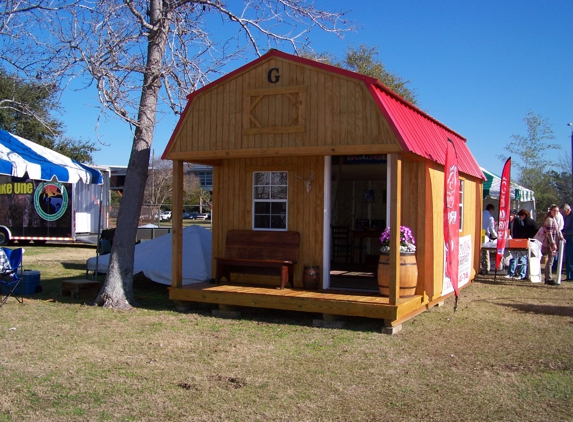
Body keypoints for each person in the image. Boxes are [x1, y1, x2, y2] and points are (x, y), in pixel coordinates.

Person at [506, 209, 538, 279]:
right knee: (516, 257)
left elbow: (524, 232)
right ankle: (514, 273)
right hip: (522, 240)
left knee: (522, 258)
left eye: (521, 216)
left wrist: (520, 240)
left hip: (527, 241)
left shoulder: (524, 221)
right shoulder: (525, 221)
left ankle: (521, 274)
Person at [542, 204, 565, 285]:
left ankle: (548, 278)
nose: (556, 212)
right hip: (550, 243)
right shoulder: (549, 220)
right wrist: (552, 243)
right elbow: (549, 233)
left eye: (557, 211)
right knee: (550, 261)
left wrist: (561, 237)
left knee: (551, 260)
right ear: (551, 211)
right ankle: (549, 278)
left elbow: (558, 230)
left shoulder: (554, 219)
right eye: (554, 211)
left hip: (554, 241)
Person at [481, 204, 497, 274]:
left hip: (479, 233)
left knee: (480, 252)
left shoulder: (481, 213)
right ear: (491, 209)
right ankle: (486, 268)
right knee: (486, 251)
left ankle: (480, 267)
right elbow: (491, 229)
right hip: (484, 234)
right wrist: (496, 236)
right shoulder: (490, 217)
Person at [562, 204, 573, 281]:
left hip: (571, 238)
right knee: (567, 258)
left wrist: (566, 233)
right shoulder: (566, 217)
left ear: (568, 210)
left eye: (564, 212)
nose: (563, 214)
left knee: (571, 257)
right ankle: (568, 276)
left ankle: (571, 276)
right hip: (567, 238)